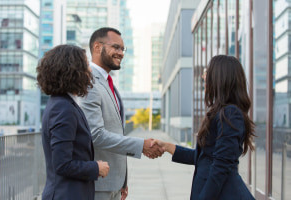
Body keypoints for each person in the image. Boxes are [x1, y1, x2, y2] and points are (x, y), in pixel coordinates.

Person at [152, 55, 256, 200]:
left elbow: (221, 166)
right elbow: (205, 157)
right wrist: (168, 147)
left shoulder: (230, 114)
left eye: (207, 71)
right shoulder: (222, 112)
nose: (203, 76)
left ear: (220, 77)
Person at [78, 27, 163, 200]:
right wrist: (141, 145)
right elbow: (96, 135)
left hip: (114, 184)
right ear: (97, 47)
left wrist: (123, 180)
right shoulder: (89, 82)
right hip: (98, 185)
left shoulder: (108, 83)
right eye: (115, 47)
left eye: (122, 49)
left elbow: (116, 132)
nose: (120, 53)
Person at [37, 44, 110, 200]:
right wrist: (96, 168)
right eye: (86, 65)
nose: (90, 70)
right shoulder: (63, 109)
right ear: (72, 71)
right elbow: (62, 164)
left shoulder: (62, 104)